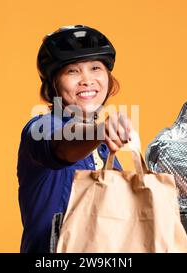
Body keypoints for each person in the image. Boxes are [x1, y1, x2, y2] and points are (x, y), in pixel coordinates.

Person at [17, 25, 133, 253]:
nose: (87, 80)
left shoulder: (102, 150)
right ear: (53, 84)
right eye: (72, 71)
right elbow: (62, 147)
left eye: (95, 68)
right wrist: (98, 132)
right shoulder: (40, 127)